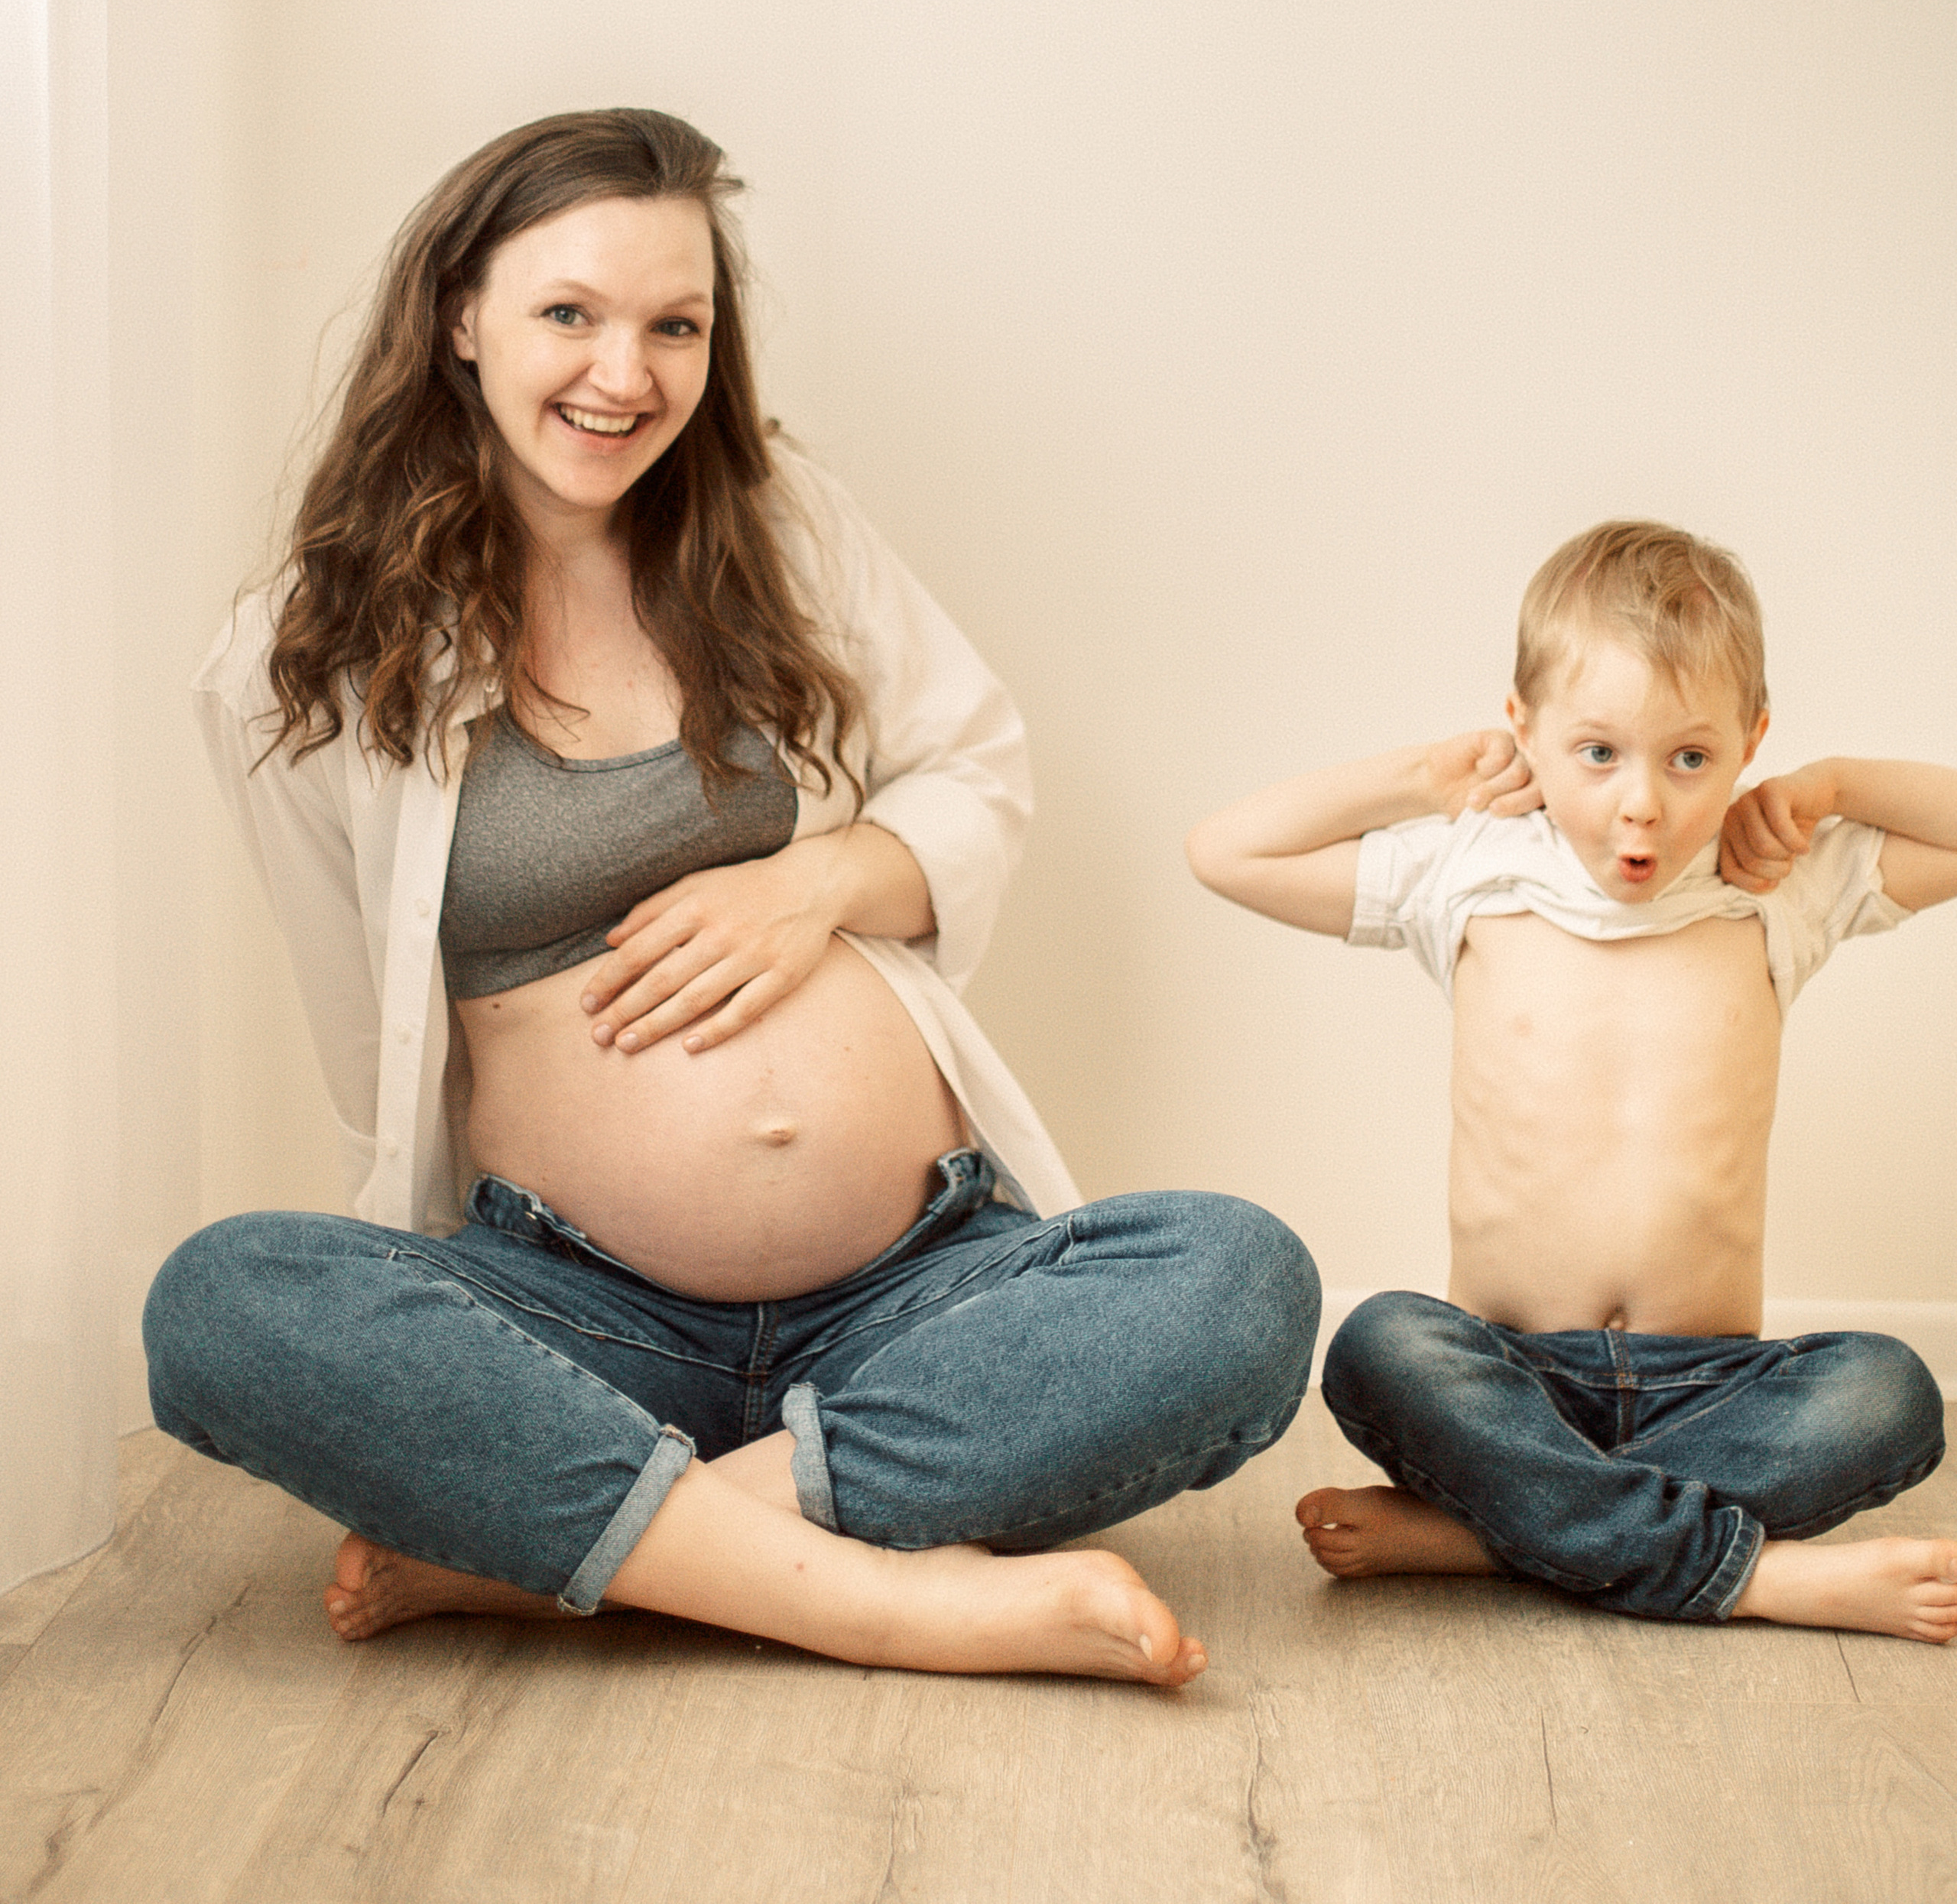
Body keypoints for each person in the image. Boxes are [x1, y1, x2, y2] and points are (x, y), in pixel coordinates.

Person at [144, 107, 1316, 1684]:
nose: (623, 374)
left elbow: (972, 772)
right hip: (580, 1306)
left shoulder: (775, 527)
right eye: (568, 312)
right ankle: (881, 1596)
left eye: (672, 325)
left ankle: (604, 1548)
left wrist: (820, 880)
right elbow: (360, 1030)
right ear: (459, 317)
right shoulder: (310, 653)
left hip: (917, 1287)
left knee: (1239, 1280)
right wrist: (445, 1360)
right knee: (224, 1303)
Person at [1186, 517, 1957, 1642]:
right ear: (1526, 732)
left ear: (1751, 742)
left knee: (1892, 1391)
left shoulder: (1777, 885)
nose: (1642, 802)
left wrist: (1835, 785)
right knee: (1378, 1346)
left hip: (1715, 1380)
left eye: (1689, 757)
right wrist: (1420, 775)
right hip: (1507, 1370)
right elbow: (1226, 851)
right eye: (1598, 753)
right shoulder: (1469, 871)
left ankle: (1491, 1531)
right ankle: (1756, 1576)